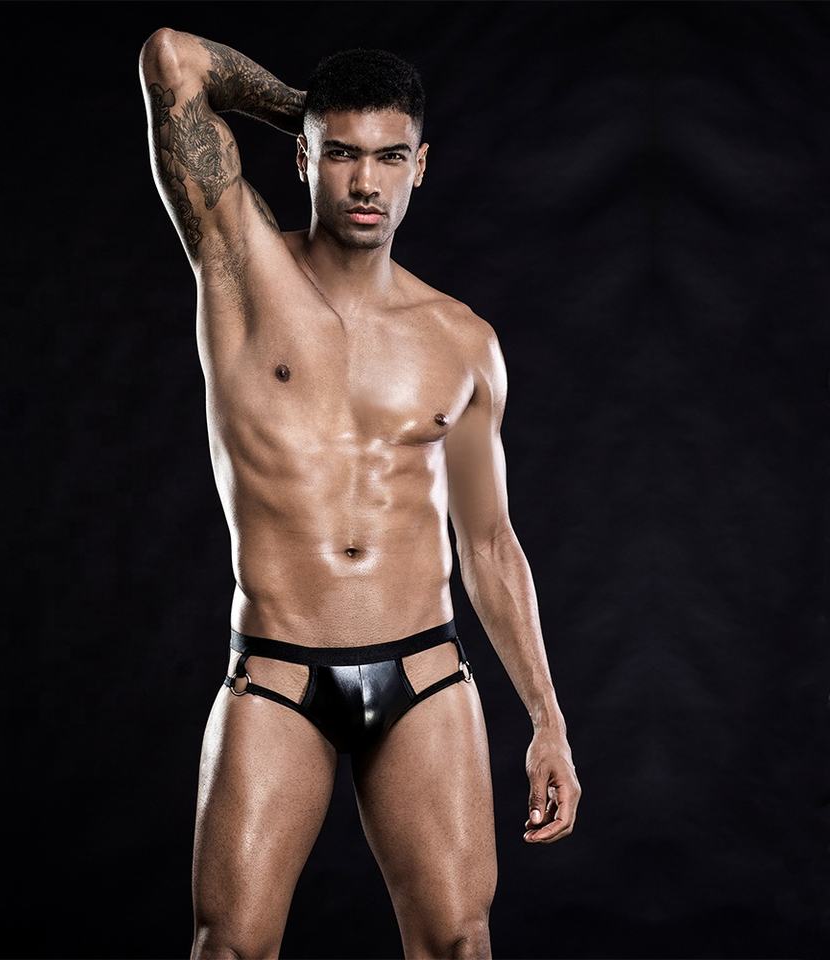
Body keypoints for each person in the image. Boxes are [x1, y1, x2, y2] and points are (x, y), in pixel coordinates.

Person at [138, 27, 581, 959]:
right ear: (305, 159)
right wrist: (303, 107)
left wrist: (547, 718)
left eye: (389, 157)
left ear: (421, 166)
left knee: (459, 943)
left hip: (424, 674)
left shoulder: (462, 341)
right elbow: (173, 60)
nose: (366, 182)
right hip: (276, 674)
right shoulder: (239, 269)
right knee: (229, 946)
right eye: (341, 153)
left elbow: (488, 542)